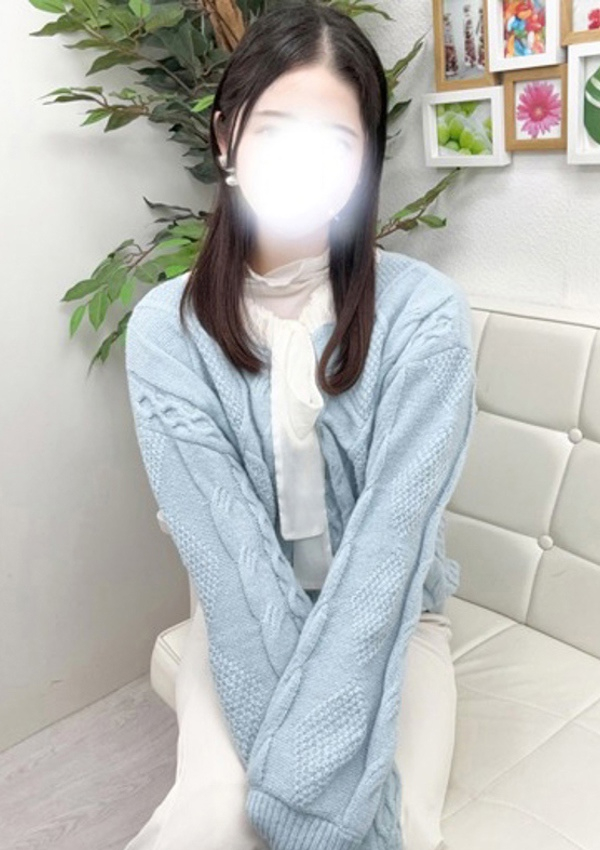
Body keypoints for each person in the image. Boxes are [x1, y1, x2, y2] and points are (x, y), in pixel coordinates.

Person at [123, 3, 476, 849]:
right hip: (235, 626)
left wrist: (325, 779)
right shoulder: (165, 331)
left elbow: (390, 550)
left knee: (391, 828)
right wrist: (288, 772)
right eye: (276, 132)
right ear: (226, 138)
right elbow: (227, 558)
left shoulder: (425, 318)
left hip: (395, 631)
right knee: (211, 823)